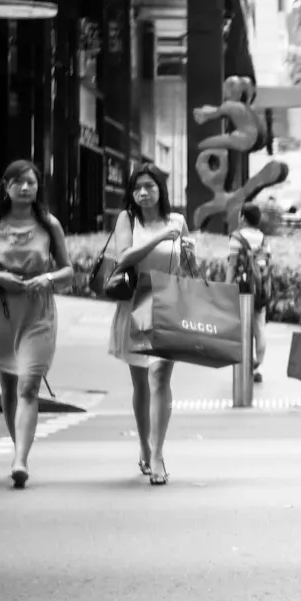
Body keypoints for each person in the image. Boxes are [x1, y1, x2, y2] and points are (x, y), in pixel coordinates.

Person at [0, 161, 72, 487]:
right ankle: (19, 447)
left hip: (39, 312)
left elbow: (68, 273)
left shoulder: (49, 224)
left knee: (29, 385)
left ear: (38, 187)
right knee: (9, 386)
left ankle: (20, 459)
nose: (25, 188)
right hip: (1, 311)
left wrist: (48, 278)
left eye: (30, 182)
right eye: (17, 182)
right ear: (6, 187)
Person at [108, 164, 189, 485]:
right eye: (137, 187)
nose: (143, 193)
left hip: (167, 304)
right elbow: (123, 257)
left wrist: (188, 254)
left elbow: (182, 267)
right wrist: (158, 240)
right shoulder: (127, 219)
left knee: (160, 377)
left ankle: (157, 454)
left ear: (160, 189)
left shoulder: (178, 221)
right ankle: (144, 445)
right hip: (137, 303)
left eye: (149, 187)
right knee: (141, 380)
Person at [225, 201, 270, 384]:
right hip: (260, 289)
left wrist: (226, 288)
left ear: (242, 217)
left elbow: (232, 265)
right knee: (259, 327)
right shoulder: (263, 239)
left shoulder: (237, 237)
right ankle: (257, 364)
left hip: (241, 289)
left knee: (242, 328)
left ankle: (245, 365)